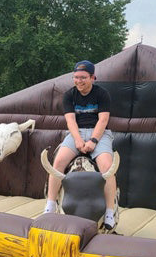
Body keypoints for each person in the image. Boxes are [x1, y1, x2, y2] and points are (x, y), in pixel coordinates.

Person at [44, 59, 119, 232]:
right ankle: (50, 205)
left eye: (83, 77)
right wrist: (77, 140)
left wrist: (93, 141)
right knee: (58, 163)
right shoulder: (69, 95)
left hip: (99, 133)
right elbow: (70, 120)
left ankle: (109, 211)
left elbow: (103, 120)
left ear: (93, 77)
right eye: (76, 77)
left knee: (108, 167)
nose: (79, 81)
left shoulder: (102, 94)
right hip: (76, 133)